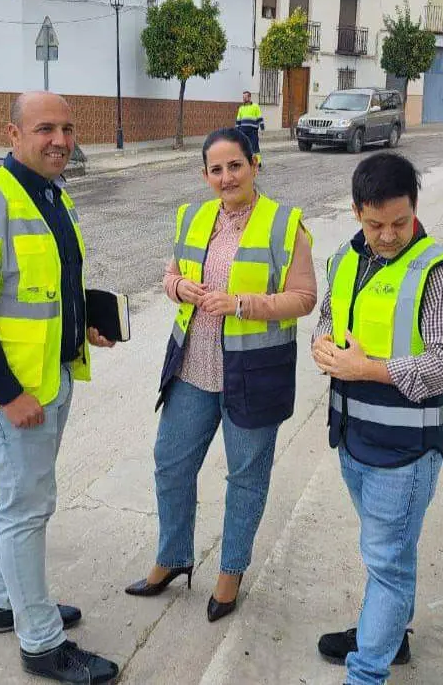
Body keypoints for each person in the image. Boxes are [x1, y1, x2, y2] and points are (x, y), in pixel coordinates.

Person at [0, 91, 120, 684]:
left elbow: (45, 285)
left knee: (11, 499)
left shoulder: (50, 195)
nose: (60, 140)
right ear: (12, 134)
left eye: (68, 128)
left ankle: (4, 601)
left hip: (50, 378)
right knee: (27, 509)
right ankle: (40, 642)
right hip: (15, 394)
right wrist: (9, 395)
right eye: (45, 128)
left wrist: (86, 319)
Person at [123, 127, 316, 622]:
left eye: (236, 166)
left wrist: (242, 304)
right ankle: (172, 557)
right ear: (204, 174)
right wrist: (178, 286)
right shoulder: (193, 216)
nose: (226, 177)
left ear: (255, 165)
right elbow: (169, 274)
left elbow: (304, 298)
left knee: (246, 476)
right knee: (170, 463)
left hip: (253, 372)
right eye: (216, 169)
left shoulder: (284, 224)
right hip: (193, 366)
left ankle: (230, 574)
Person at [309, 152, 443, 685]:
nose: (386, 235)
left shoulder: (438, 272)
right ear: (357, 211)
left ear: (416, 208)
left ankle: (367, 671)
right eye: (374, 224)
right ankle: (388, 634)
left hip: (404, 453)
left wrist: (368, 368)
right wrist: (323, 347)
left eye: (398, 223)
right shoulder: (346, 258)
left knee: (387, 562)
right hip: (354, 439)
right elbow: (329, 319)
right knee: (389, 555)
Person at [235, 90, 264, 168]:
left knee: (255, 147)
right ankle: (246, 163)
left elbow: (259, 118)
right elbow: (238, 120)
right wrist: (237, 130)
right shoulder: (241, 108)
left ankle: (258, 162)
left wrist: (262, 128)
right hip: (243, 131)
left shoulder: (255, 106)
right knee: (244, 147)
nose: (244, 98)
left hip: (253, 131)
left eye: (245, 97)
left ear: (249, 97)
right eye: (243, 97)